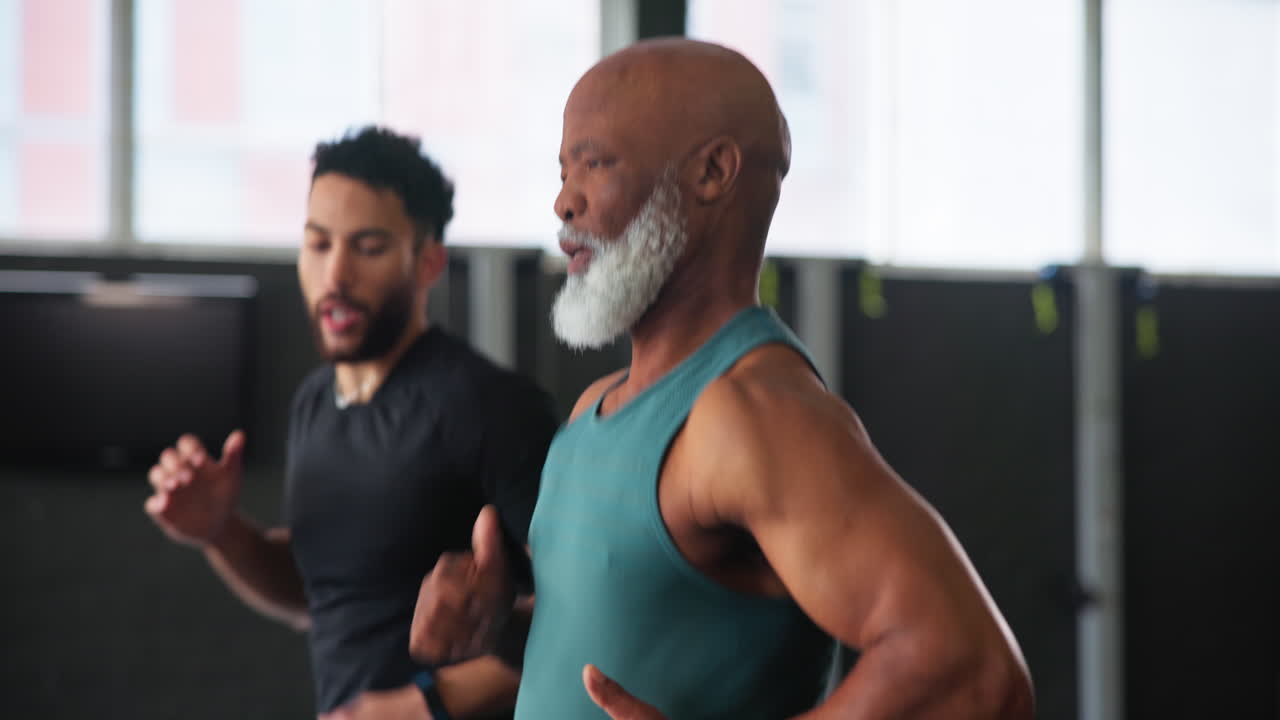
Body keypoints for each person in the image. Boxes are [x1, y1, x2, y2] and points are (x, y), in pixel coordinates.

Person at [409, 39, 1035, 719]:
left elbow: (972, 672)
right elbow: (616, 658)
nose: (563, 201)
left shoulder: (752, 411)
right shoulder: (599, 406)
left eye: (595, 164)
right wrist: (495, 623)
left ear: (711, 173)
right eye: (563, 170)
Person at [144, 126, 558, 719]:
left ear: (428, 262)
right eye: (318, 244)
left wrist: (425, 706)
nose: (335, 275)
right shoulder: (314, 402)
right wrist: (222, 532)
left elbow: (597, 621)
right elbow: (326, 592)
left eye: (367, 247)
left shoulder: (490, 408)